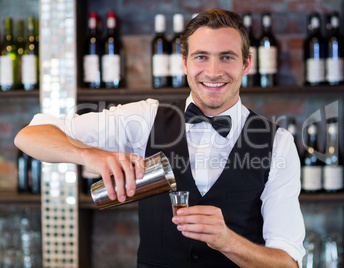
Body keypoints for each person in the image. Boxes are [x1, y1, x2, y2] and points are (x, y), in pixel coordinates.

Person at [15, 9, 305, 267]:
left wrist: (228, 241)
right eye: (201, 57)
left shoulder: (277, 143)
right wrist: (90, 154)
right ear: (184, 63)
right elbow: (30, 135)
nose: (213, 72)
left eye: (226, 57)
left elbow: (287, 262)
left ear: (246, 64)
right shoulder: (144, 119)